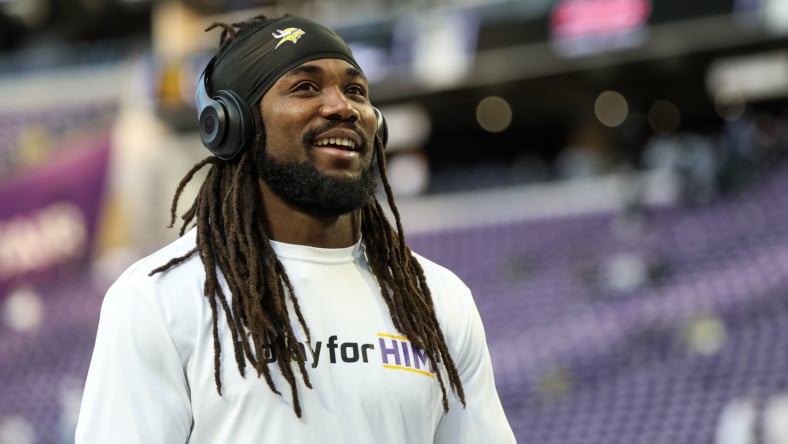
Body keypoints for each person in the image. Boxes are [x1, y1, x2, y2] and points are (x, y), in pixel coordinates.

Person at [75, 14, 516, 444]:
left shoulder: (436, 299)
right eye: (305, 87)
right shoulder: (158, 299)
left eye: (356, 91)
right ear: (233, 125)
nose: (342, 107)